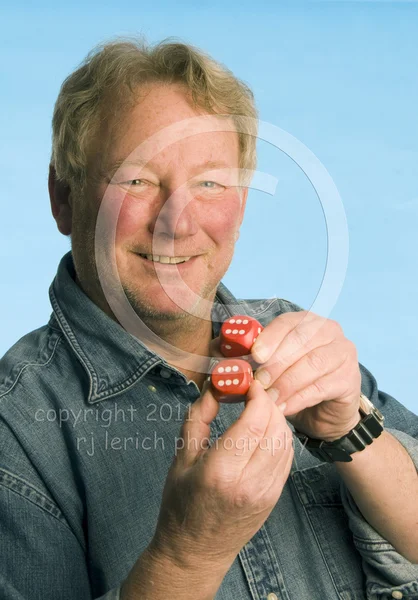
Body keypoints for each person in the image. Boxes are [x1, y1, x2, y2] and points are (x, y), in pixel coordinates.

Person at [0, 37, 417, 600]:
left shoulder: (291, 335)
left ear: (240, 209)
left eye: (211, 183)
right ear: (63, 198)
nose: (177, 223)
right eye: (137, 180)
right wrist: (187, 554)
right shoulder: (16, 427)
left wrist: (352, 433)